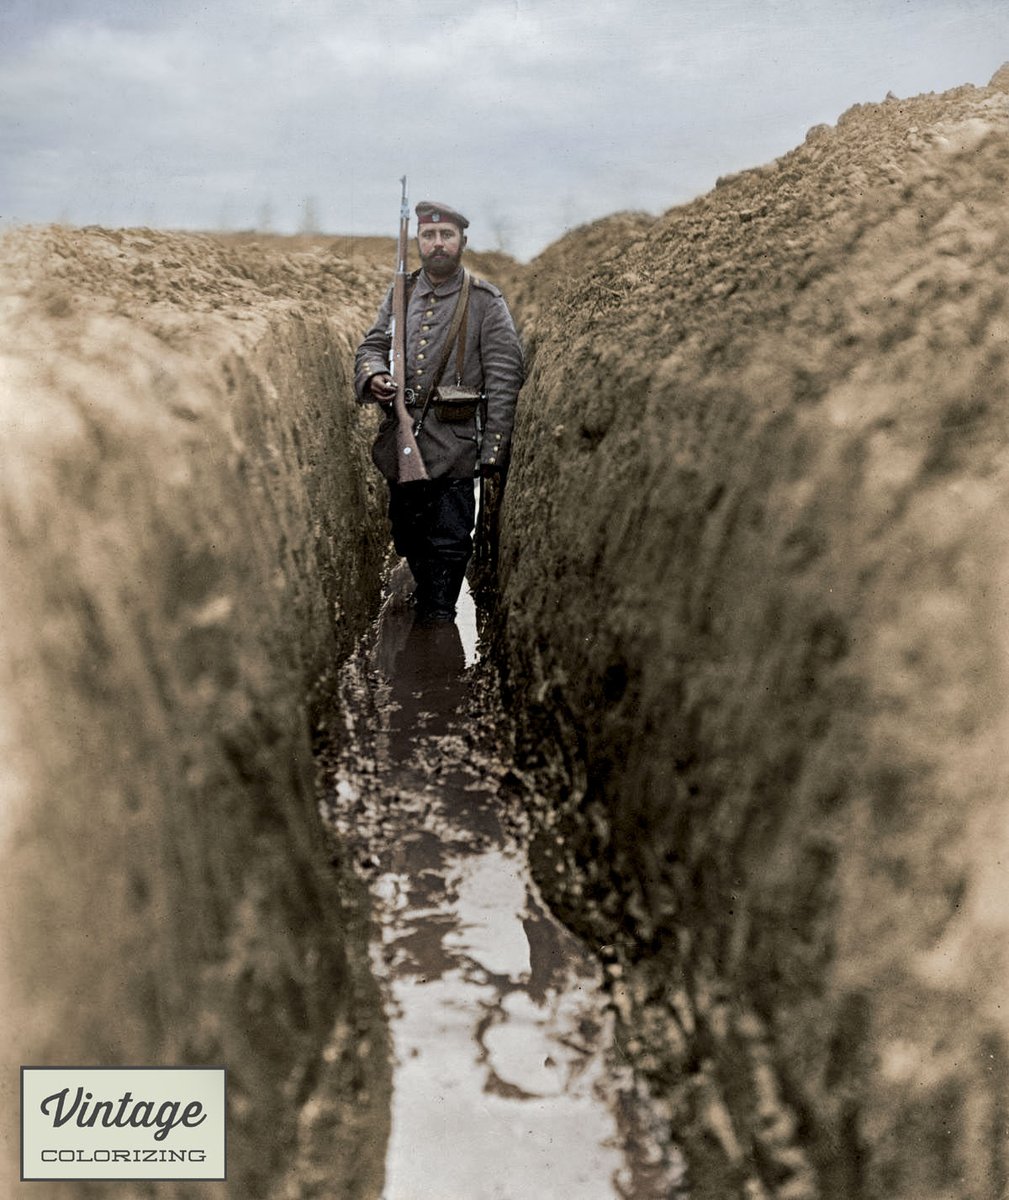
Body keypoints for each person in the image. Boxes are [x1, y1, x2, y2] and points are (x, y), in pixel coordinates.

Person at [355, 200, 524, 622]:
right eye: (429, 236)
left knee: (449, 541)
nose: (438, 243)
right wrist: (374, 375)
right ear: (418, 242)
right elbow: (372, 346)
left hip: (455, 446)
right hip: (402, 440)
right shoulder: (402, 293)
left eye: (446, 235)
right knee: (407, 535)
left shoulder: (485, 302)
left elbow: (504, 376)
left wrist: (492, 450)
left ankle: (439, 616)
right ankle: (427, 592)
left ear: (462, 241)